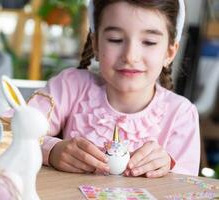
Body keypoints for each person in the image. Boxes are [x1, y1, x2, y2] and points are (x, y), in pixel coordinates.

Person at [28, 0, 200, 177]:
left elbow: (187, 187)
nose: (130, 56)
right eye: (115, 39)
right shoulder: (69, 87)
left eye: (149, 42)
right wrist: (52, 150)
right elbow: (5, 130)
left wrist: (167, 167)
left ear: (169, 53)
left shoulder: (181, 114)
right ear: (95, 44)